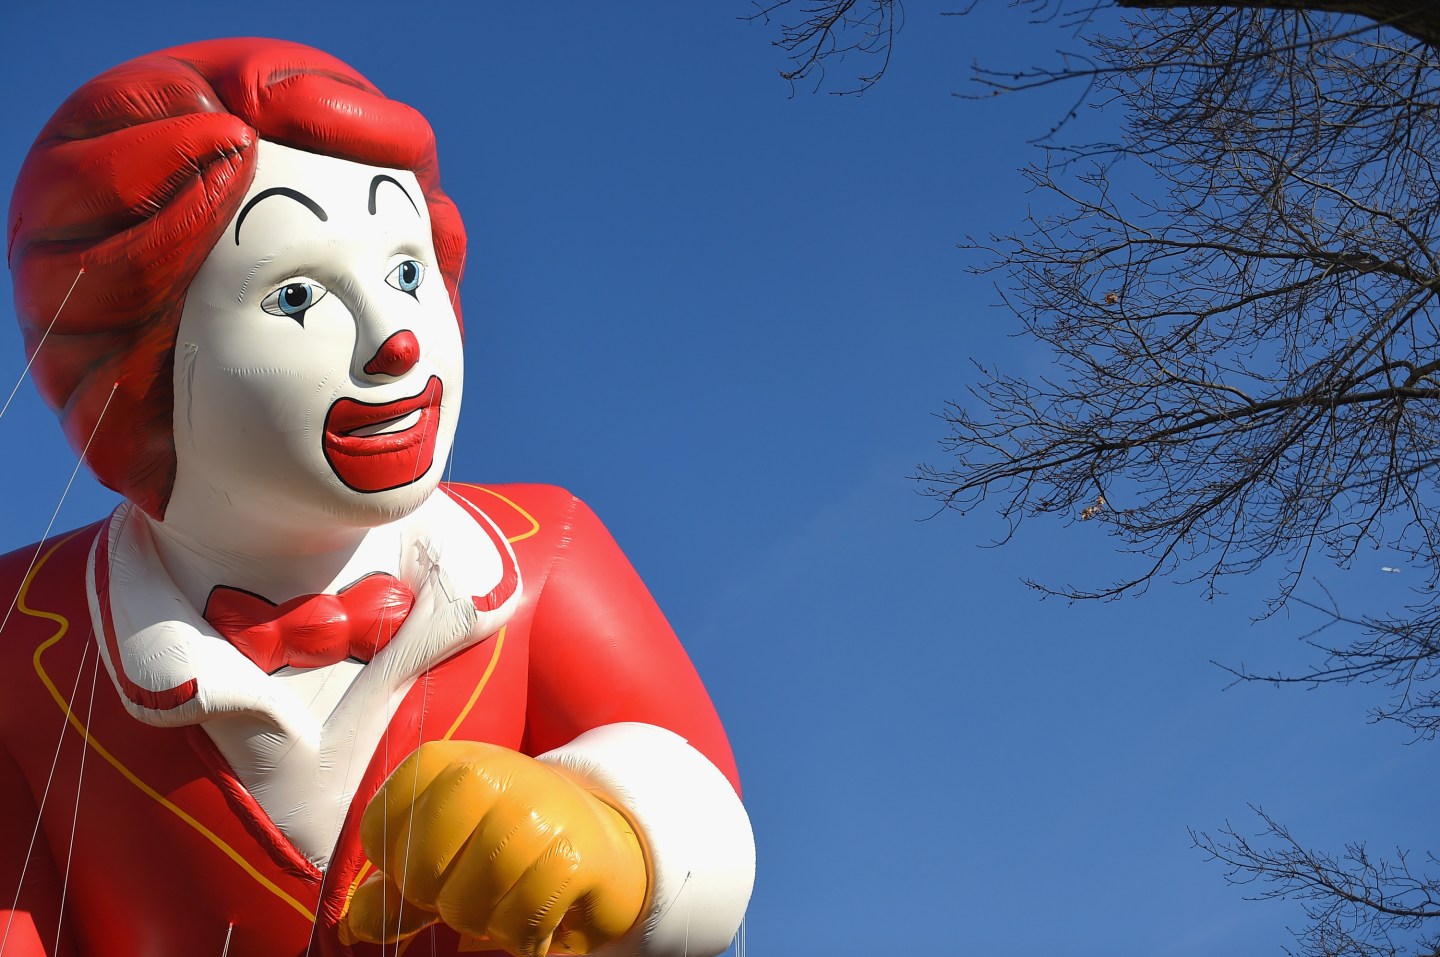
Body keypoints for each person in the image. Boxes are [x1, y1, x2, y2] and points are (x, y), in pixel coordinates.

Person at [0, 38, 753, 957]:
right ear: (126, 353)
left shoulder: (544, 547)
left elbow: (700, 801)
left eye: (406, 273)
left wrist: (619, 838)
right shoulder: (19, 630)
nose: (396, 339)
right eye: (294, 296)